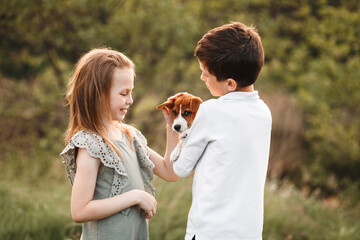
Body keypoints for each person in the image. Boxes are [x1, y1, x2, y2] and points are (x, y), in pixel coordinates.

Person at [60, 47, 178, 240]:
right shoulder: (90, 144)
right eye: (123, 93)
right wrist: (135, 196)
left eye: (131, 92)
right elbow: (79, 210)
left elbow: (170, 172)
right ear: (98, 94)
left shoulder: (130, 136)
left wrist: (172, 126)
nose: (130, 100)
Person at [172, 22, 272, 240]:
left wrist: (176, 125)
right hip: (248, 233)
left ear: (230, 84)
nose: (202, 79)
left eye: (206, 75)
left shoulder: (210, 111)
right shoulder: (264, 113)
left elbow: (180, 168)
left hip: (209, 231)